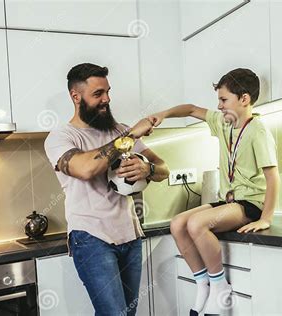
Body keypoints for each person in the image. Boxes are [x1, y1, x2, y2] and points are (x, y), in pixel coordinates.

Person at [148, 68, 279, 315]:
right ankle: (203, 285)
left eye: (223, 99)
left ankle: (219, 287)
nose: (218, 106)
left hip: (250, 203)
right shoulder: (223, 123)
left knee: (197, 224)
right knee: (178, 224)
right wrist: (163, 114)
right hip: (228, 202)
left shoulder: (258, 131)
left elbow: (273, 178)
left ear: (244, 99)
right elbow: (190, 109)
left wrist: (266, 218)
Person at [44, 63, 169, 316]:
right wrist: (130, 134)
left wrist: (149, 170)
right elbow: (86, 169)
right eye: (98, 94)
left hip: (130, 236)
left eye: (108, 92)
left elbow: (164, 168)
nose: (107, 99)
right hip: (91, 239)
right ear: (76, 97)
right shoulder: (61, 137)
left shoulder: (119, 130)